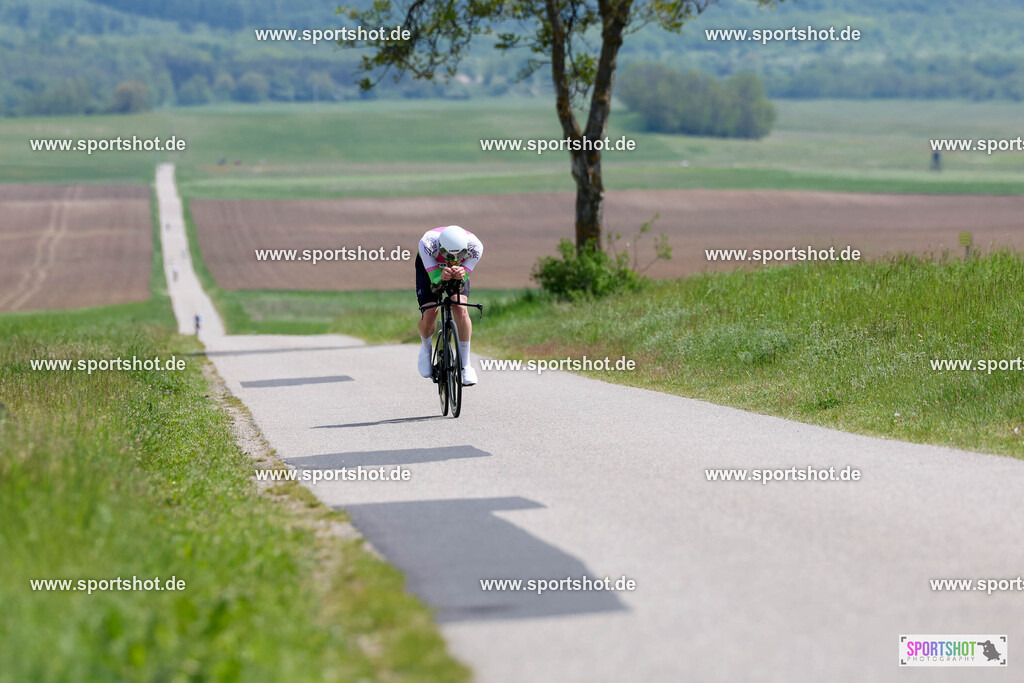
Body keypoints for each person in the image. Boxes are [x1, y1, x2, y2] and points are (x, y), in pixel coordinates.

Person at [415, 225, 483, 386]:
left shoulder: (476, 247)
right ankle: (425, 348)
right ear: (441, 247)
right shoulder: (427, 244)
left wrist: (461, 274)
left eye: (460, 254)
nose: (453, 258)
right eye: (448, 254)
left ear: (466, 249)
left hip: (457, 271)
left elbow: (460, 285)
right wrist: (440, 276)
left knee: (460, 307)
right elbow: (434, 282)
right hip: (430, 268)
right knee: (430, 311)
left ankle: (465, 365)